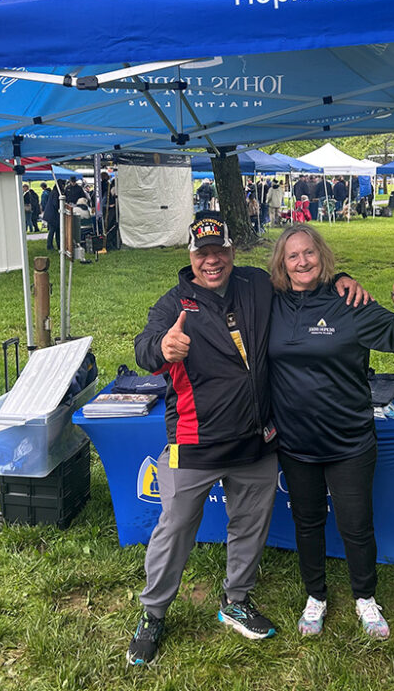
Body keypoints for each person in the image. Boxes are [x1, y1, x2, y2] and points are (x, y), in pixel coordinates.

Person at [127, 212, 369, 666]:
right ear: (191, 258)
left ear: (232, 252)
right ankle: (153, 614)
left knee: (250, 528)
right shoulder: (173, 303)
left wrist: (343, 279)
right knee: (174, 530)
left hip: (257, 441)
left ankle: (235, 600)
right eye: (203, 253)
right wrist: (162, 348)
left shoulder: (257, 284)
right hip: (194, 442)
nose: (212, 260)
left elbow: (303, 279)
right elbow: (144, 347)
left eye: (219, 251)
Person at [268, 224, 394, 639]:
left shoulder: (348, 301)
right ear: (282, 264)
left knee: (356, 524)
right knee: (308, 521)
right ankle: (315, 596)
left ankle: (365, 598)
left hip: (349, 439)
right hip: (296, 441)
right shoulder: (271, 302)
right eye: (292, 256)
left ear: (323, 256)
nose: (302, 262)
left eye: (309, 253)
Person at [42, 178, 65, 250]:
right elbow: (55, 204)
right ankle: (50, 246)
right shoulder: (56, 193)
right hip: (53, 215)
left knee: (56, 230)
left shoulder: (53, 192)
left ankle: (58, 245)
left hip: (51, 215)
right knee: (53, 231)